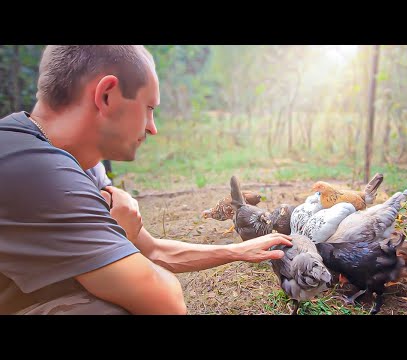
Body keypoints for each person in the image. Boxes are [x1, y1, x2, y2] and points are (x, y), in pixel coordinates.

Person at [0, 45, 292, 315]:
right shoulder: (36, 169)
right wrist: (123, 239)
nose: (152, 128)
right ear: (107, 96)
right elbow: (167, 303)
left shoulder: (81, 162)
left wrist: (236, 251)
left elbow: (151, 249)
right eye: (149, 109)